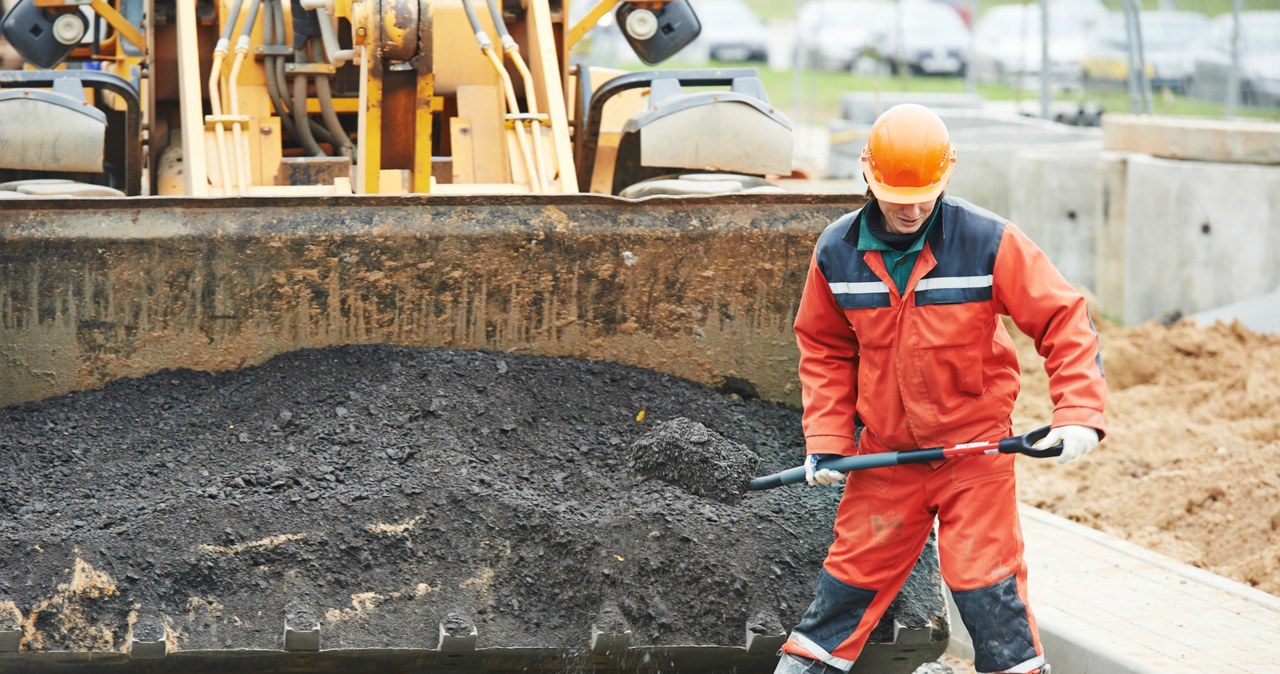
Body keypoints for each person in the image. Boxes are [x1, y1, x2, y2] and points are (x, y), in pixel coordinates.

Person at [775, 104, 1107, 674]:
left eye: (926, 193)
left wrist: (1077, 410)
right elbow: (826, 348)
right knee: (845, 589)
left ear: (948, 176)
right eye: (897, 195)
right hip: (884, 456)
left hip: (974, 454)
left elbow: (1062, 318)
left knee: (987, 591)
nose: (913, 208)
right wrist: (828, 439)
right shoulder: (837, 253)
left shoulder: (987, 242)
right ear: (867, 178)